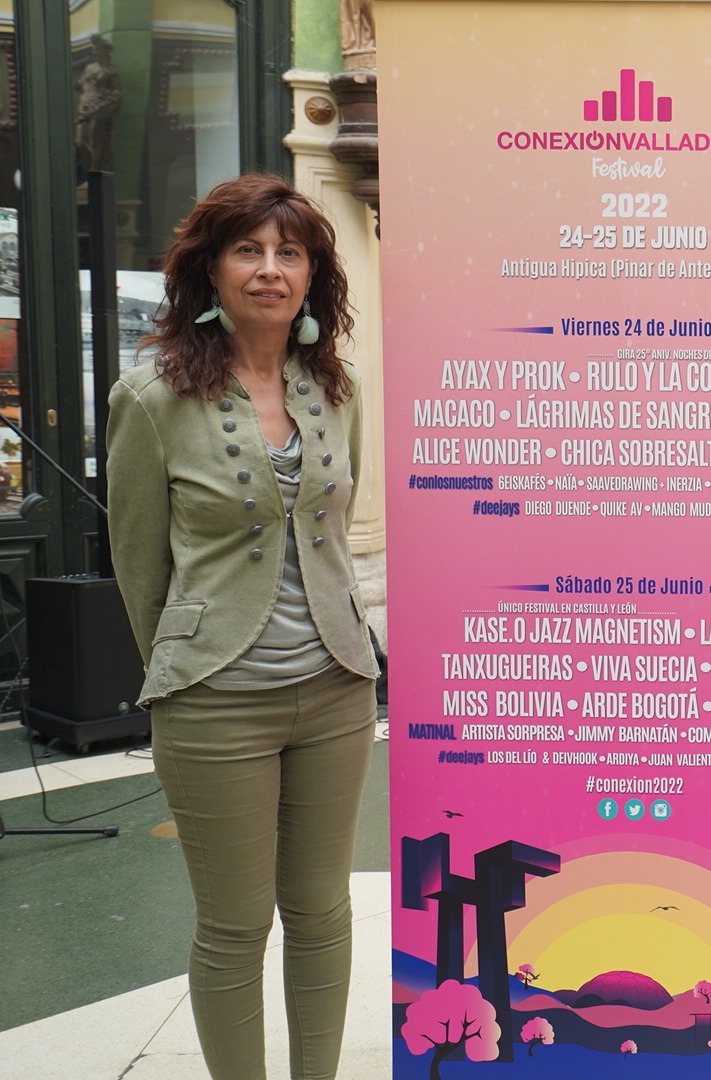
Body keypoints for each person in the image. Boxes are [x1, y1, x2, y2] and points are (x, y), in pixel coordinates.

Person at [108, 173, 380, 1080]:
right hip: (216, 705)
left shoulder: (337, 389)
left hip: (336, 691)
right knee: (233, 927)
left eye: (289, 252)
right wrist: (186, 672)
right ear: (211, 271)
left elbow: (334, 531)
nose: (270, 269)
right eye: (247, 250)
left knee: (323, 913)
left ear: (311, 277)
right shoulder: (151, 397)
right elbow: (139, 566)